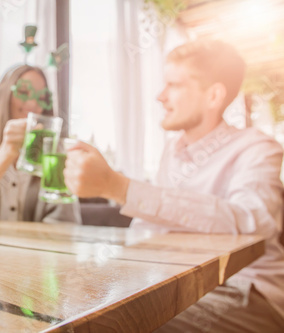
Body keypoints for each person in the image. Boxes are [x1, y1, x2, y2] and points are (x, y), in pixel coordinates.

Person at [64, 40, 284, 331]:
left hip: (246, 291)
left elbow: (252, 222)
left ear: (214, 95)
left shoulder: (257, 148)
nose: (160, 96)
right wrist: (107, 273)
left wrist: (119, 187)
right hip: (175, 283)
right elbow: (153, 232)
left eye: (173, 85)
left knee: (110, 324)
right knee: (72, 305)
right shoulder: (172, 152)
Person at [0, 64, 81, 224]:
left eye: (41, 98)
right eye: (23, 92)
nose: (33, 104)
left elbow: (66, 223)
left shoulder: (53, 158)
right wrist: (5, 153)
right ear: (4, 97)